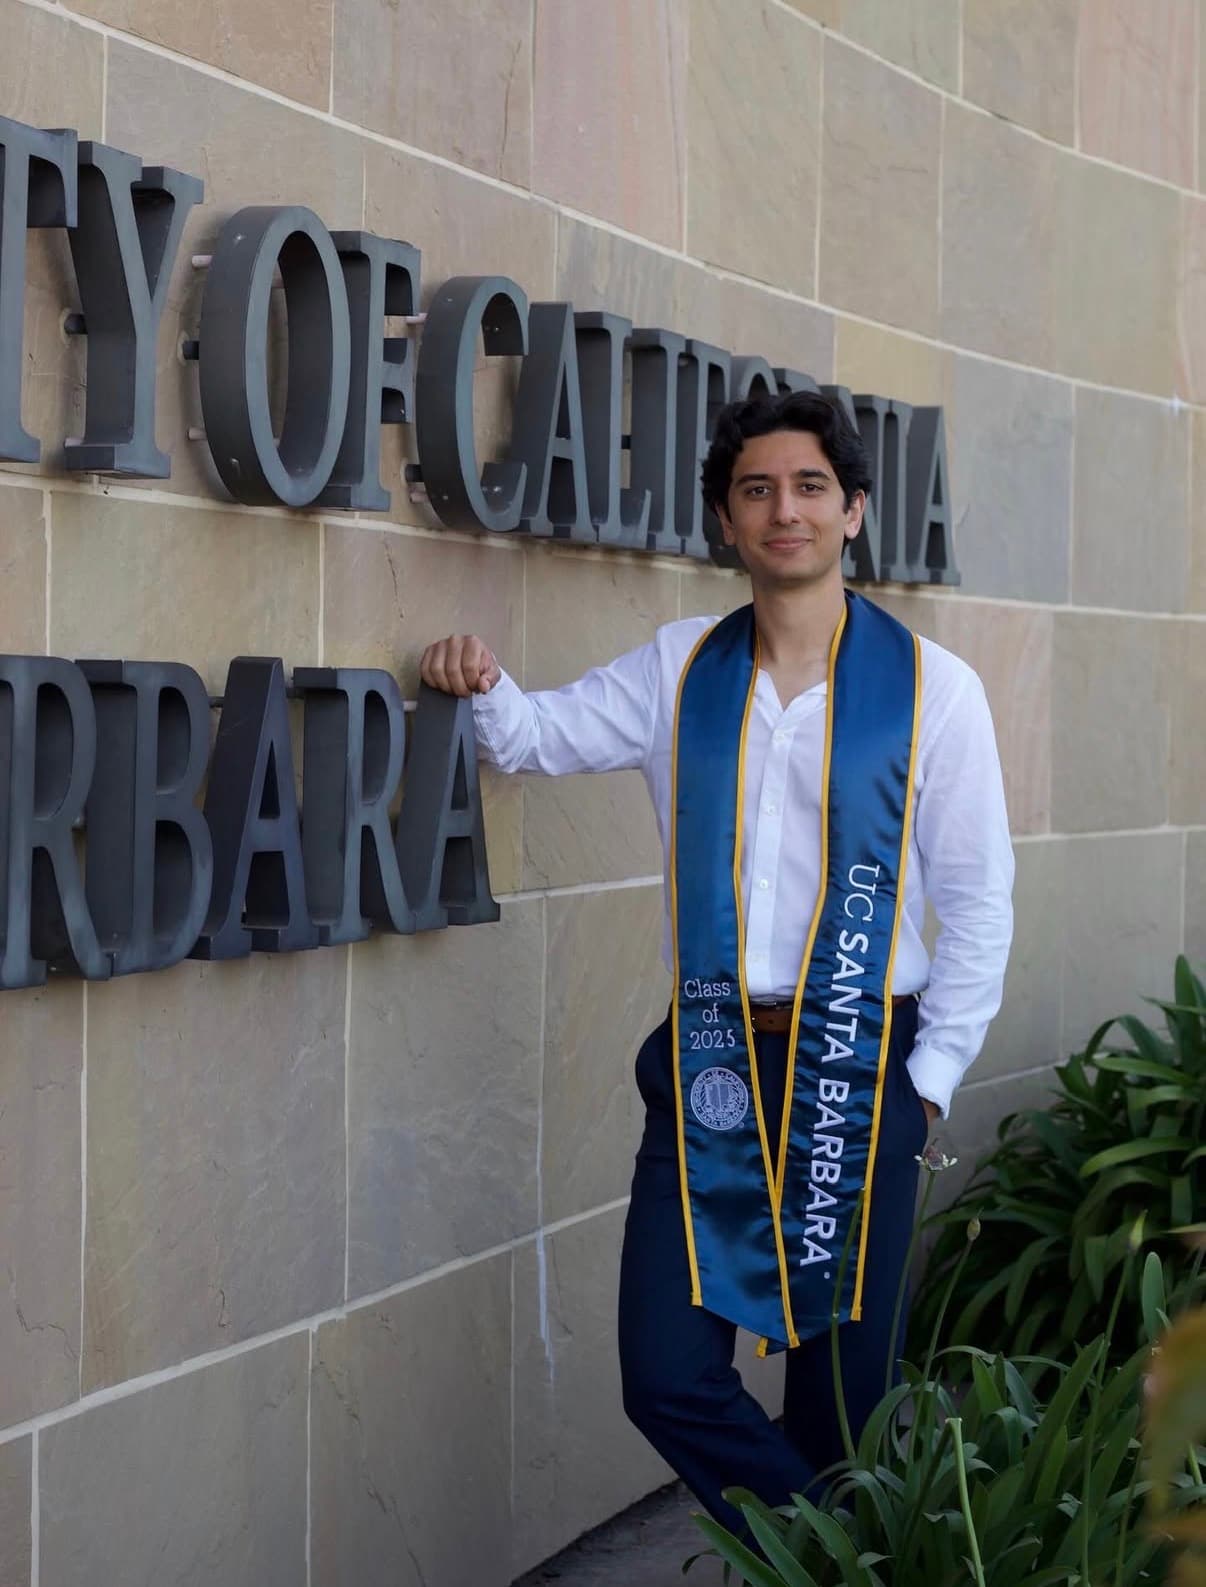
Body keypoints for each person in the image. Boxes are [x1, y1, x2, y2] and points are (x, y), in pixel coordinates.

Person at [419, 390, 1013, 1532]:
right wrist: (480, 682)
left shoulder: (938, 691)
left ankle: (826, 1554)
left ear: (852, 514)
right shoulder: (681, 668)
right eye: (756, 491)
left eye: (807, 488)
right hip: (712, 1066)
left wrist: (926, 1085)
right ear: (726, 523)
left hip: (864, 1065)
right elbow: (543, 735)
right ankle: (865, 1567)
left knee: (840, 1411)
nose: (782, 510)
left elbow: (980, 903)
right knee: (667, 1374)